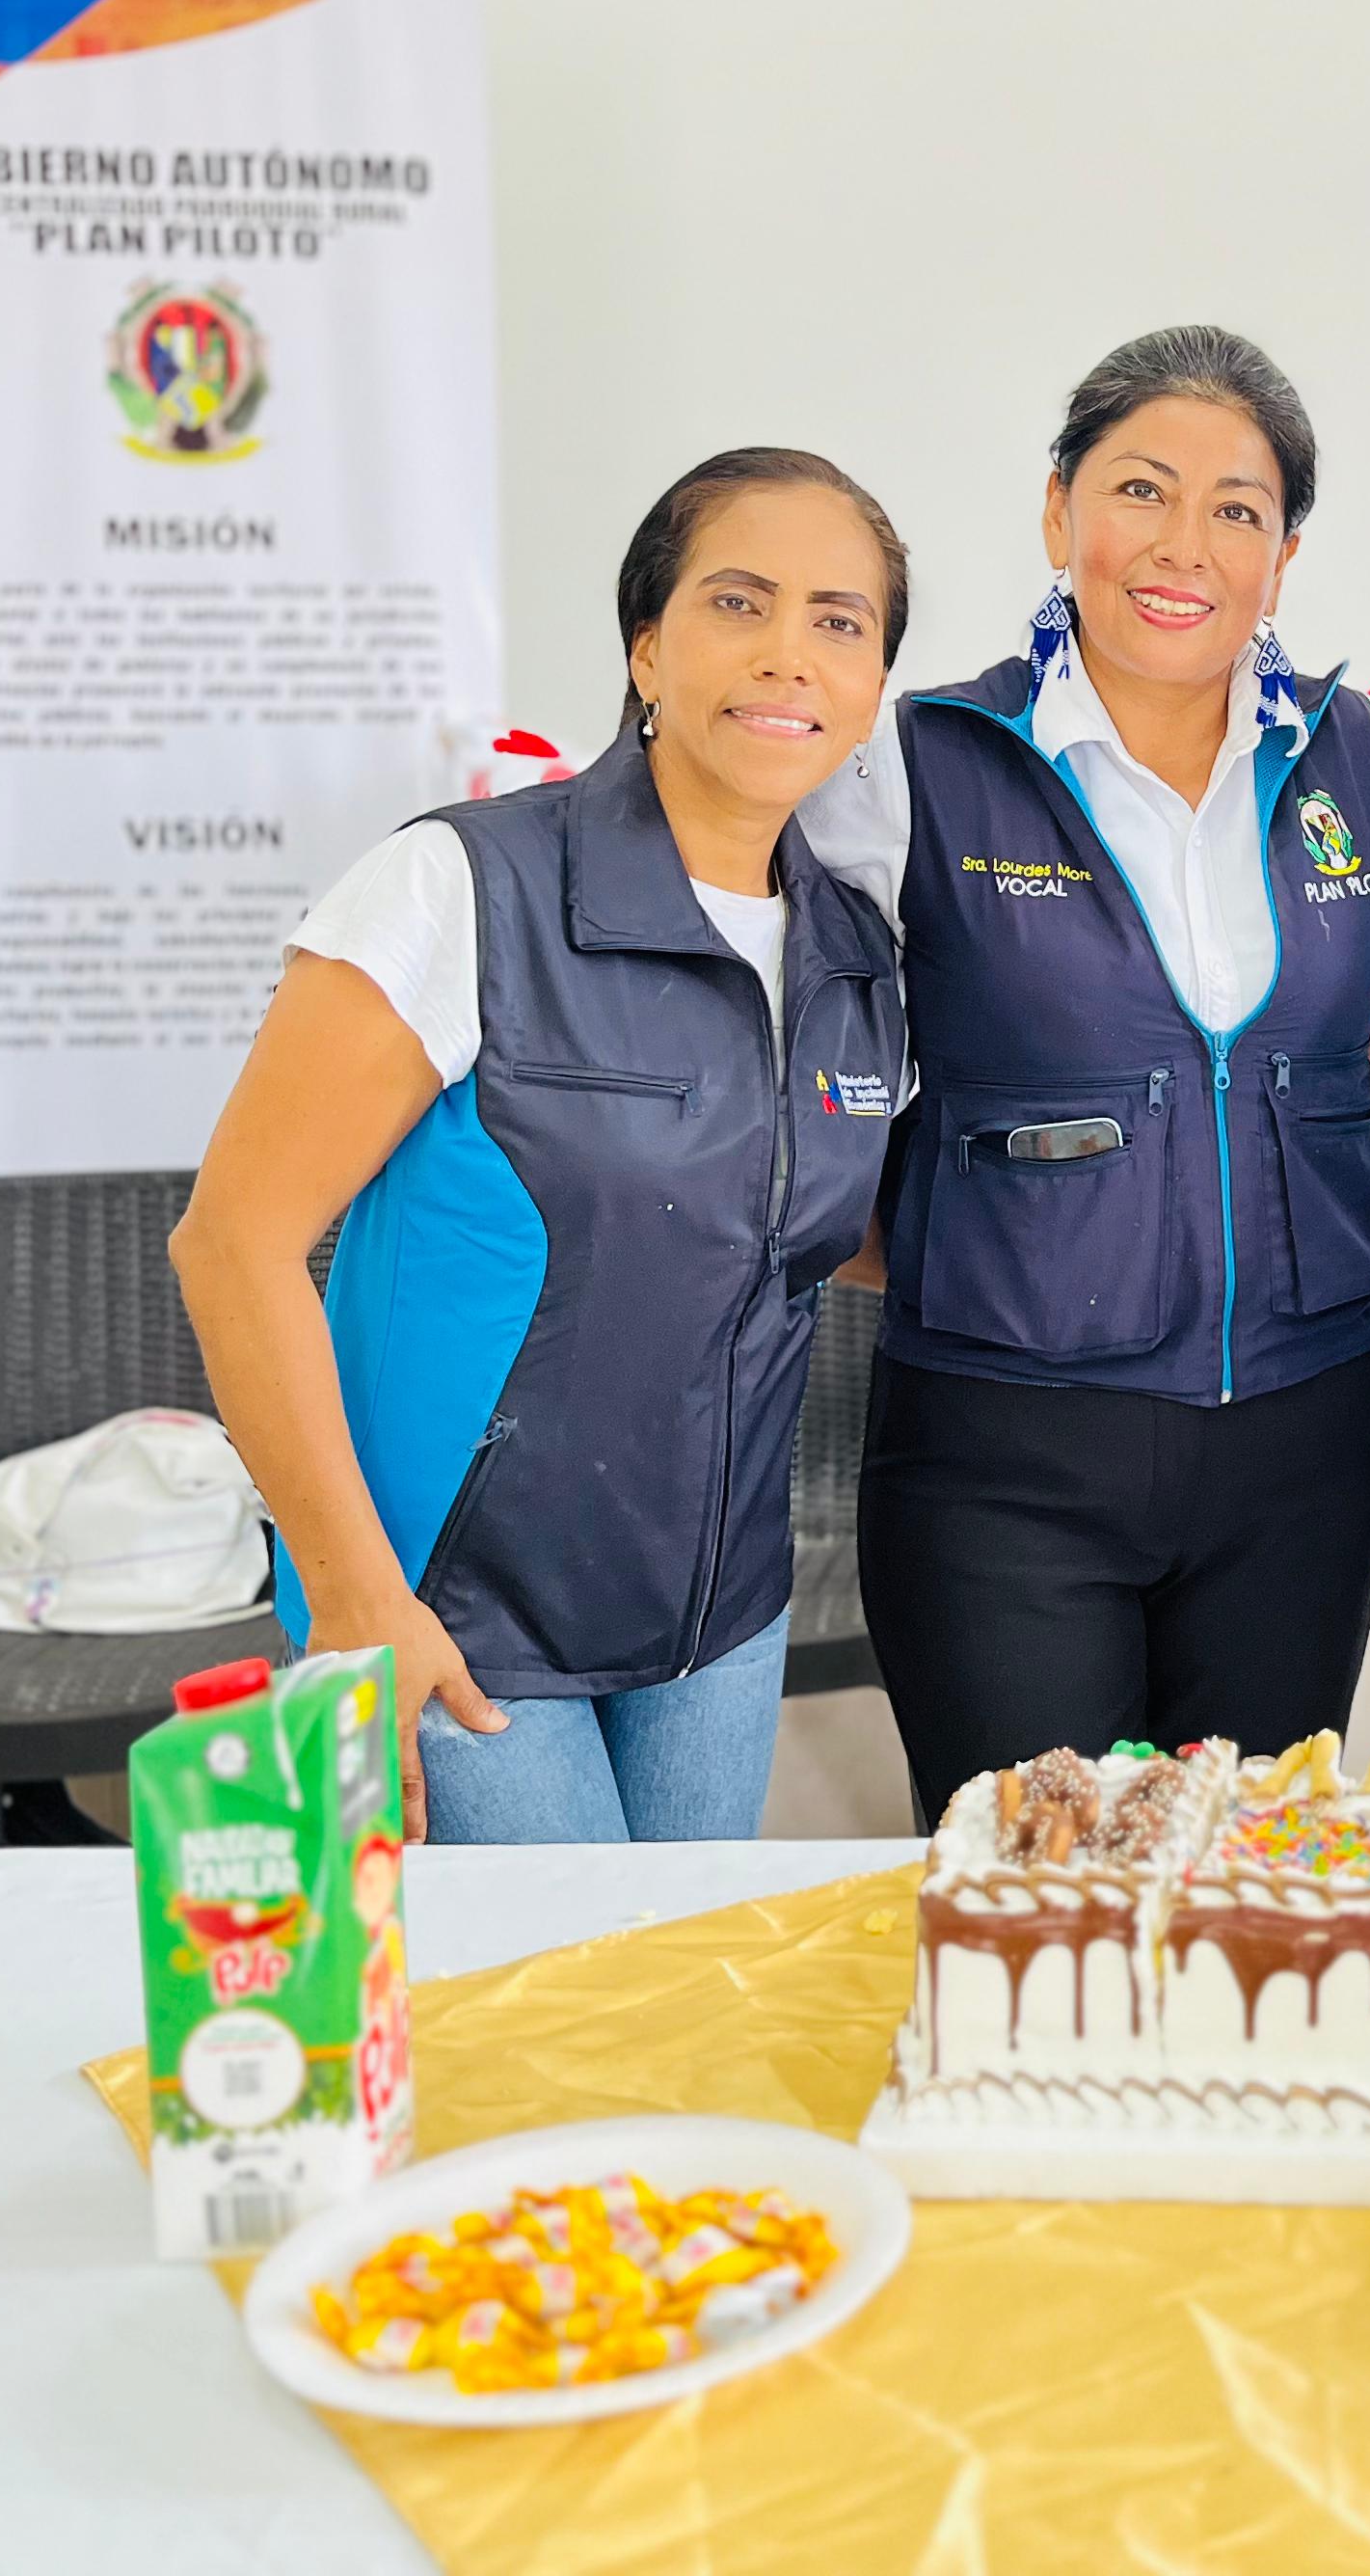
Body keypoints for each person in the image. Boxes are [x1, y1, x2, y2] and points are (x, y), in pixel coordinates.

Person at [174, 448, 913, 1842]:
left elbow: (802, 1227)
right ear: (647, 648)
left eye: (840, 620)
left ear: (875, 683)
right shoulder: (464, 886)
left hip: (718, 1610)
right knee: (561, 1986)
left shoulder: (857, 957)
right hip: (451, 1606)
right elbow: (232, 1246)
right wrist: (356, 1600)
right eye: (737, 602)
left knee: (683, 1977)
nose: (789, 655)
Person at [801, 328, 1370, 1820]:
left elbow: (1367, 1027)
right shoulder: (915, 760)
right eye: (1140, 489)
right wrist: (960, 1241)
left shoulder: (1354, 755)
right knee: (1041, 1904)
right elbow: (796, 1069)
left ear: (1283, 557)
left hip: (1304, 1452)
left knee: (1251, 1894)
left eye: (1237, 509)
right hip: (1004, 1460)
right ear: (1058, 509)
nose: (1183, 545)